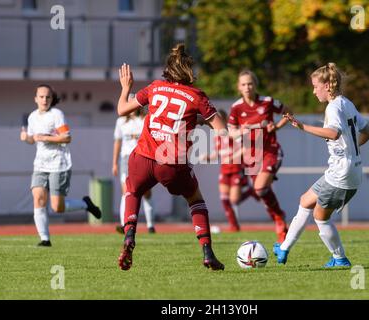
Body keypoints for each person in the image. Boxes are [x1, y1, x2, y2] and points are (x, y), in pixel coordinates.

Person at [116, 43, 226, 271]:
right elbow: (221, 130)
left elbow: (122, 110)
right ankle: (207, 252)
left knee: (133, 192)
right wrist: (200, 122)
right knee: (195, 199)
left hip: (142, 157)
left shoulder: (155, 88)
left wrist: (126, 87)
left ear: (168, 70)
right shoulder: (197, 96)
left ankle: (129, 236)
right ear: (189, 71)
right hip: (171, 162)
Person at [273, 63, 369, 267]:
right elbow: (368, 132)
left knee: (321, 217)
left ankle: (340, 258)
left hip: (341, 174)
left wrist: (302, 126)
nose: (313, 91)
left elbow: (333, 133)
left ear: (327, 85)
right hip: (347, 169)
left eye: (315, 86)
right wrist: (352, 150)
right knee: (306, 200)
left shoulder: (333, 107)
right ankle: (284, 248)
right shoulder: (347, 103)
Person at [20, 84, 102, 247]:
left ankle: (86, 204)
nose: (44, 100)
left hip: (59, 163)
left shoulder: (56, 114)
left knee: (57, 207)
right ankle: (45, 239)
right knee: (38, 198)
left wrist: (45, 138)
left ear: (52, 99)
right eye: (41, 96)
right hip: (40, 164)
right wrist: (25, 138)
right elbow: (32, 138)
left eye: (48, 97)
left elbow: (66, 137)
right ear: (35, 99)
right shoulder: (32, 117)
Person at [228, 69, 290, 243]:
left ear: (255, 85)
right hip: (251, 157)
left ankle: (279, 217)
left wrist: (277, 126)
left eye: (250, 83)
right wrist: (241, 131)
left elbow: (288, 112)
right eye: (243, 84)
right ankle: (280, 221)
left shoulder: (268, 102)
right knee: (261, 191)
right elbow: (230, 133)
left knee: (261, 187)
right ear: (238, 87)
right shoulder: (236, 107)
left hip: (271, 151)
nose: (247, 87)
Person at [200, 109, 258, 231]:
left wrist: (234, 156)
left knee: (234, 200)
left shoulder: (232, 132)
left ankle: (250, 192)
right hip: (225, 169)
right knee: (224, 199)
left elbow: (245, 148)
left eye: (219, 119)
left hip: (236, 168)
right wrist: (207, 157)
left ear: (225, 119)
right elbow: (217, 155)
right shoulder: (217, 137)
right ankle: (234, 226)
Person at [113, 108, 156, 234]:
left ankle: (150, 225)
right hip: (126, 159)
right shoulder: (121, 121)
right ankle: (124, 224)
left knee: (147, 192)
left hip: (142, 156)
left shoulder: (145, 119)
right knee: (126, 191)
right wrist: (114, 163)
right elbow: (117, 142)